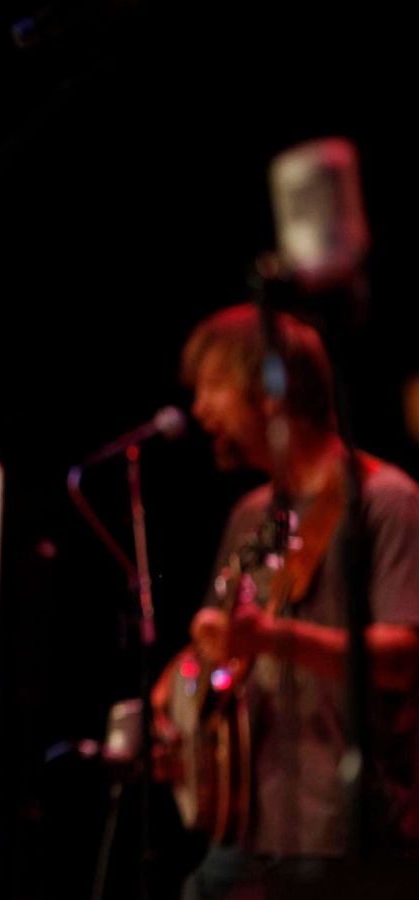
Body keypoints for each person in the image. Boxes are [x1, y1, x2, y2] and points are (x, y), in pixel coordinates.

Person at [176, 304, 419, 898]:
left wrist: (276, 640)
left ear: (270, 392)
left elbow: (405, 658)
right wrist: (172, 699)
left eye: (213, 389)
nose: (199, 411)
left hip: (342, 835)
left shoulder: (386, 502)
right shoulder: (249, 515)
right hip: (246, 822)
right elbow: (214, 649)